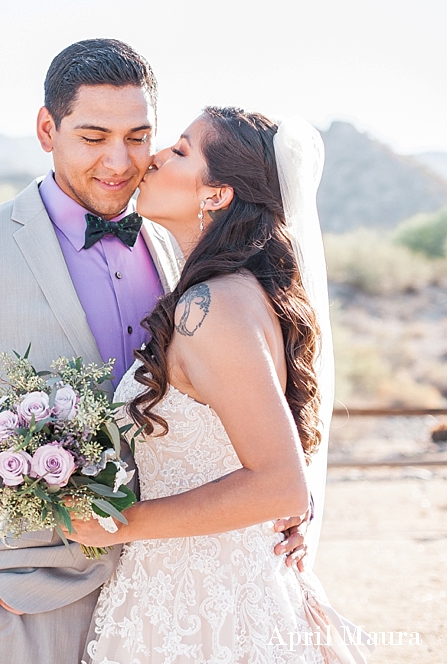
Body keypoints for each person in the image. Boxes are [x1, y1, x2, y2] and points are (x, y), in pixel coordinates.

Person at [0, 40, 309, 664]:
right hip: (31, 603)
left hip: (177, 591)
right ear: (46, 129)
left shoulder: (185, 255)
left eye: (140, 137)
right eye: (93, 137)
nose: (120, 161)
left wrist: (275, 508)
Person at [66, 107, 367, 663]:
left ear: (217, 194)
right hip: (193, 587)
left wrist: (118, 524)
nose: (154, 157)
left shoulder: (213, 306)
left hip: (210, 611)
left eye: (180, 151)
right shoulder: (231, 292)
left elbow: (281, 485)